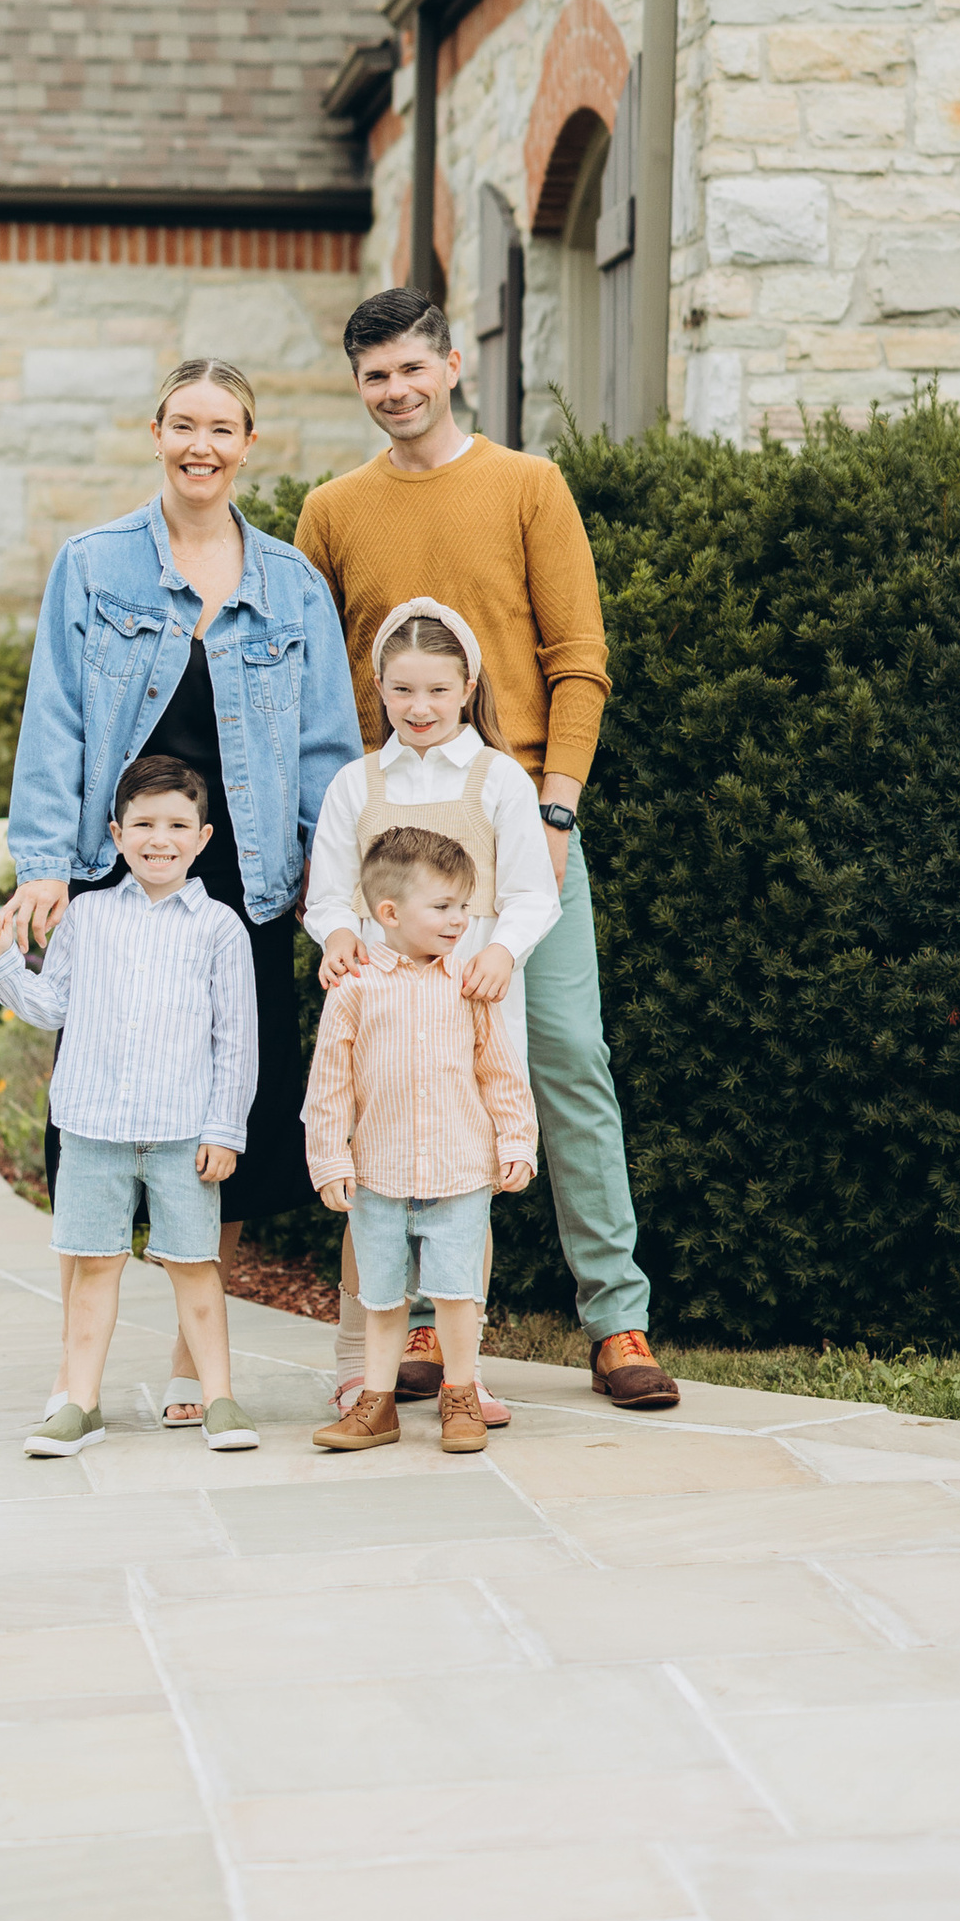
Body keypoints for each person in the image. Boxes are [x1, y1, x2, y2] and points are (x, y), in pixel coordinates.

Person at [293, 288, 679, 1410]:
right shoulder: (330, 511)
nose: (396, 391)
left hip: (518, 828)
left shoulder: (527, 487)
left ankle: (618, 1321)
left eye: (413, 368)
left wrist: (556, 816)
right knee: (391, 1075)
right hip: (391, 847)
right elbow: (328, 697)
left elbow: (579, 659)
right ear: (360, 385)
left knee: (566, 1060)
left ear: (453, 364)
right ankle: (408, 1328)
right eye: (374, 377)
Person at [5, 357, 360, 1421]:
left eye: (223, 428)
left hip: (245, 876)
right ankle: (79, 1373)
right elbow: (56, 719)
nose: (201, 445)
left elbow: (325, 749)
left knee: (226, 1109)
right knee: (103, 1114)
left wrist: (323, 888)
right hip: (117, 868)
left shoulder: (291, 582)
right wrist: (45, 868)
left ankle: (184, 1358)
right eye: (183, 425)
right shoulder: (93, 565)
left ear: (250, 444)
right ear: (155, 433)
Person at [302, 596, 559, 1404]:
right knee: (371, 1176)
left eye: (438, 692)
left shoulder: (498, 779)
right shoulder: (359, 781)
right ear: (378, 687)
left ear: (467, 686)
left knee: (463, 1183)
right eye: (402, 690)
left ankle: (462, 1375)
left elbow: (531, 891)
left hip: (469, 991)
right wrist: (338, 936)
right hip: (377, 1002)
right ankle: (357, 1363)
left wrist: (499, 951)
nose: (419, 709)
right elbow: (329, 892)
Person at [0, 753, 259, 1456]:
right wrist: (1, 961)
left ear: (204, 836)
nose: (159, 838)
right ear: (115, 832)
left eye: (176, 824)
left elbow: (236, 1040)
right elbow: (50, 1007)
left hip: (181, 1133)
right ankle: (79, 1403)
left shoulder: (219, 928)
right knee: (93, 1266)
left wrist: (225, 1128)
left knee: (195, 1266)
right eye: (143, 824)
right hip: (94, 1127)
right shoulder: (89, 916)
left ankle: (219, 1396)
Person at [304, 825, 538, 1456]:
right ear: (389, 912)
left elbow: (500, 1070)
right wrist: (329, 1158)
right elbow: (329, 1085)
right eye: (444, 907)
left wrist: (517, 1142)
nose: (461, 920)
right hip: (378, 1174)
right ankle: (374, 1405)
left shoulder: (469, 985)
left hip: (460, 1172)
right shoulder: (352, 989)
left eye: (464, 906)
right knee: (382, 1298)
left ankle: (459, 1393)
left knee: (459, 1293)